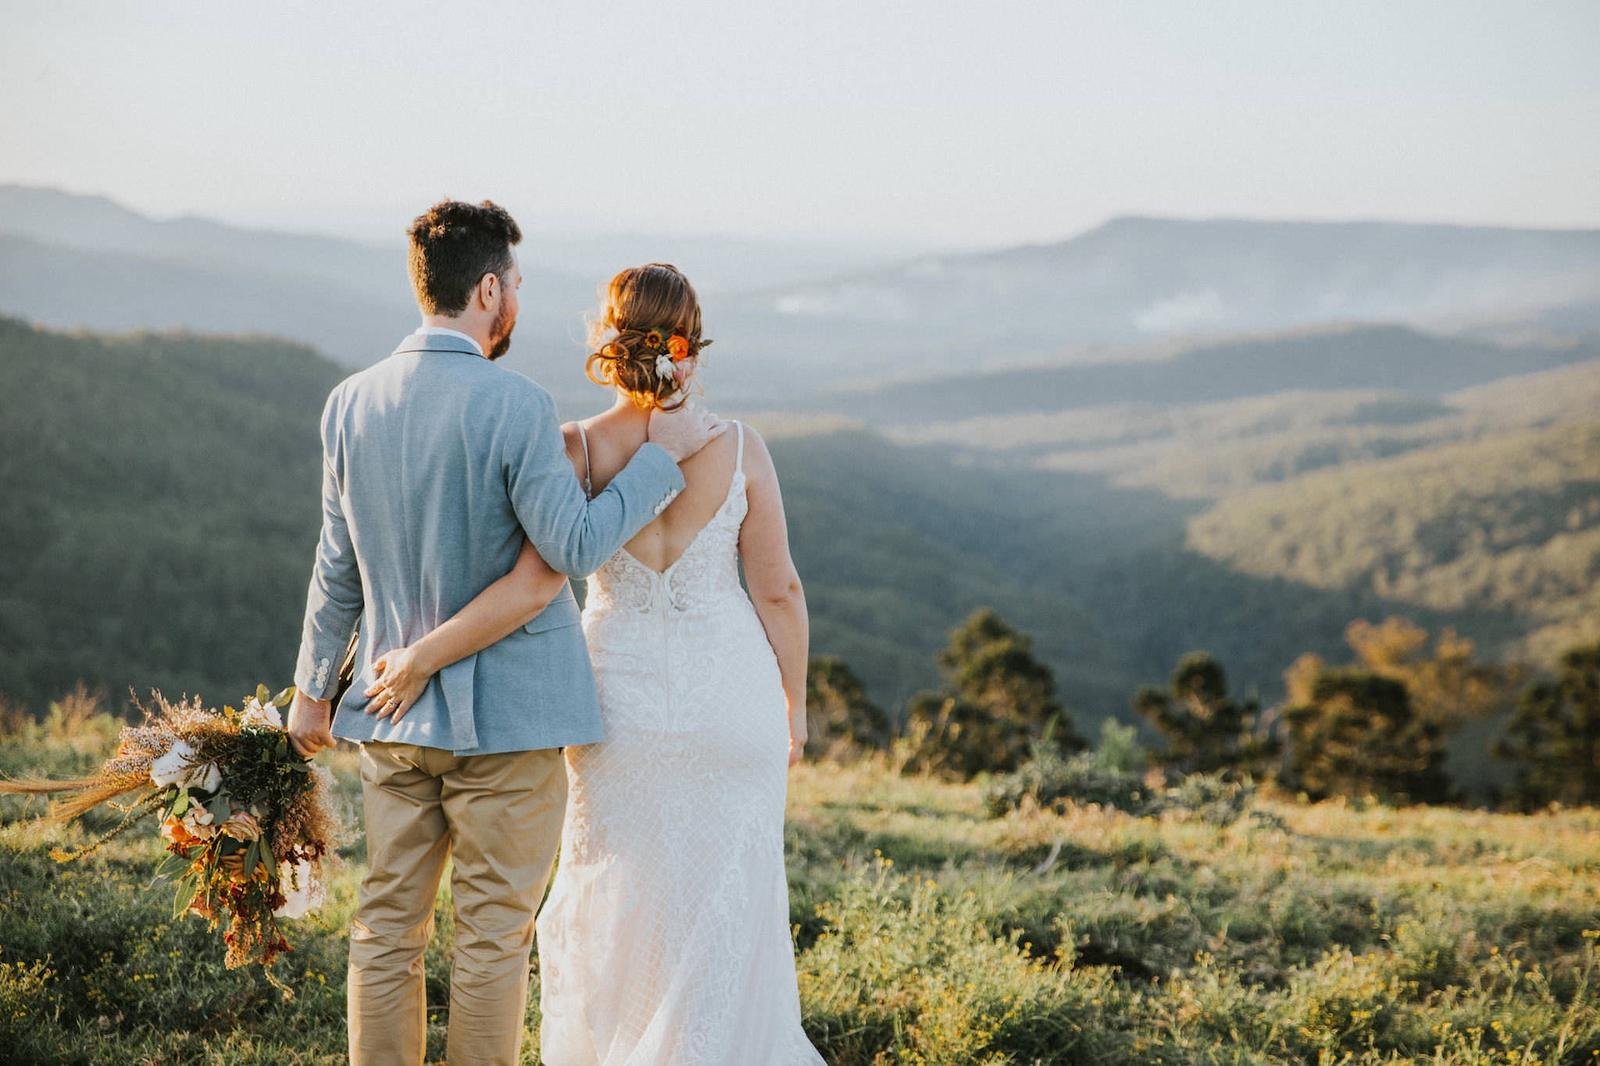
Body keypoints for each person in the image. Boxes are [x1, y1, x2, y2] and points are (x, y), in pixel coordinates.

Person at [286, 202, 723, 1066]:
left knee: (385, 929)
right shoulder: (518, 403)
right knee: (491, 939)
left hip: (391, 715)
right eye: (515, 284)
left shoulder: (349, 402)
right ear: (488, 290)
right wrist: (658, 468)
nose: (515, 297)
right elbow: (571, 549)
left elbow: (336, 566)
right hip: (512, 724)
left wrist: (310, 693)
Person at [365, 262, 824, 1064]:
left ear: (611, 344)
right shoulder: (742, 449)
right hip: (732, 702)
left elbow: (533, 580)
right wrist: (797, 704)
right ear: (692, 345)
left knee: (619, 896)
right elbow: (779, 589)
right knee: (725, 902)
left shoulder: (571, 447)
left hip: (613, 709)